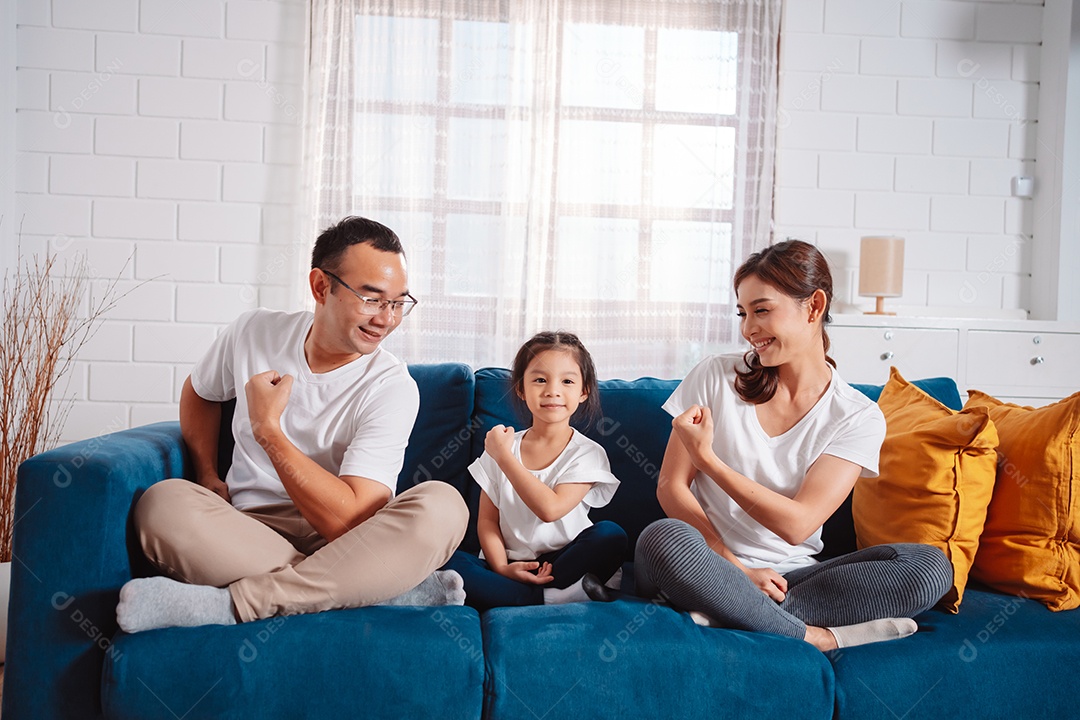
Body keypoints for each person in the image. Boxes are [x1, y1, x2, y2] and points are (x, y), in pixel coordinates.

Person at [117, 216, 469, 633]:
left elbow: (348, 523)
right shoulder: (254, 331)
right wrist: (208, 473)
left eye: (398, 303)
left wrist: (268, 431)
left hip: (351, 543)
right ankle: (382, 591)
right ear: (321, 286)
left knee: (444, 507)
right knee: (163, 504)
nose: (387, 319)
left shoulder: (392, 386)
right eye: (372, 299)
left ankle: (234, 605)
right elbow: (201, 391)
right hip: (248, 530)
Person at [634, 240, 952, 651]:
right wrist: (736, 571)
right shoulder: (714, 376)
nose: (748, 328)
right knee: (663, 538)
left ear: (814, 306)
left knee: (929, 567)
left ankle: (732, 614)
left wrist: (709, 461)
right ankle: (812, 636)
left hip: (792, 580)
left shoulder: (857, 416)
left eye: (762, 310)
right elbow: (670, 488)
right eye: (743, 313)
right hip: (706, 562)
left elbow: (798, 524)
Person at [444, 332, 627, 610]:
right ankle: (553, 597)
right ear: (521, 388)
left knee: (610, 535)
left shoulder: (586, 453)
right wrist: (502, 567)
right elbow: (487, 522)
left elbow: (550, 509)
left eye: (567, 381)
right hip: (512, 562)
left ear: (584, 391)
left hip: (567, 559)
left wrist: (504, 458)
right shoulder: (503, 446)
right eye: (540, 379)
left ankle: (521, 595)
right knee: (447, 559)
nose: (552, 390)